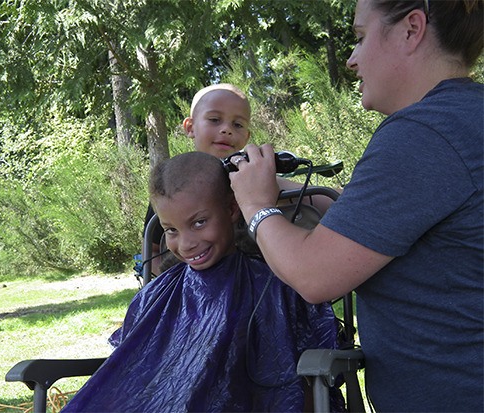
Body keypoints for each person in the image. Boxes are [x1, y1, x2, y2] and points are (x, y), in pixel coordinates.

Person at [228, 0, 483, 411]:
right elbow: (385, 228)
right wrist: (281, 187)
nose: (351, 60)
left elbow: (314, 275)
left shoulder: (423, 134)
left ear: (411, 29)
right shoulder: (467, 119)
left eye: (361, 38)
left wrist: (256, 205)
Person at [62, 152, 345, 412]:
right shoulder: (156, 296)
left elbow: (302, 381)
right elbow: (130, 373)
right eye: (170, 229)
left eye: (198, 223)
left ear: (233, 209)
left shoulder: (275, 285)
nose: (185, 244)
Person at [143, 83, 252, 275]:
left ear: (247, 136)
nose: (226, 129)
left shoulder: (256, 181)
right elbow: (150, 251)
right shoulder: (170, 184)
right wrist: (174, 285)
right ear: (190, 127)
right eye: (215, 120)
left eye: (237, 124)